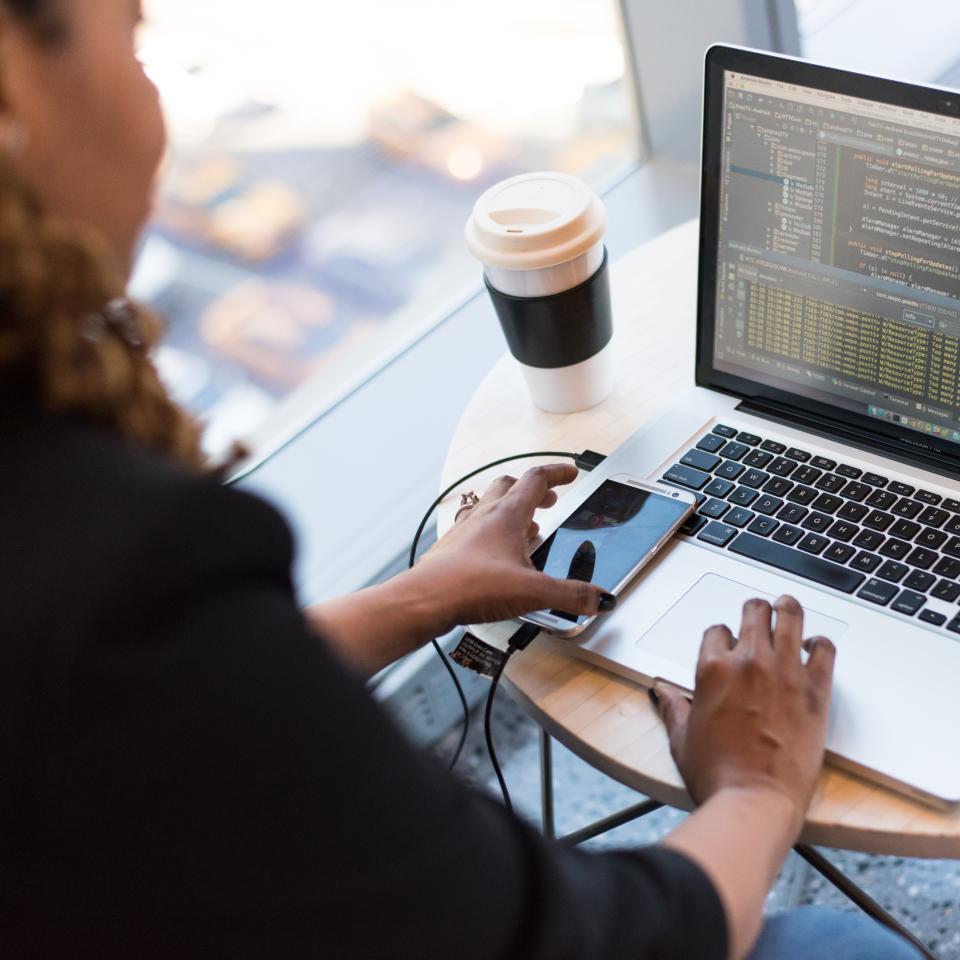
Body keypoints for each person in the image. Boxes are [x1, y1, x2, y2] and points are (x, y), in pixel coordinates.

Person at [0, 3, 923, 958]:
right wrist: (759, 790)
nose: (149, 76)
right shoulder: (115, 564)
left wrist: (416, 598)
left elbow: (163, 705)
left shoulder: (80, 579)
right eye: (131, 33)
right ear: (15, 95)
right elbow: (575, 941)